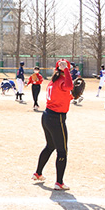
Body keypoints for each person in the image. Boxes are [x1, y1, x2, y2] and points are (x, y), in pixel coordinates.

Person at [32, 59, 74, 191]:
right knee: (62, 151)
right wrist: (66, 70)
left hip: (47, 116)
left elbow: (63, 94)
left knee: (50, 146)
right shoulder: (62, 80)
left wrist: (73, 96)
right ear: (63, 69)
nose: (70, 69)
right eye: (68, 68)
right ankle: (59, 182)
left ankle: (38, 173)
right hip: (57, 119)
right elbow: (69, 87)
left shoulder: (53, 81)